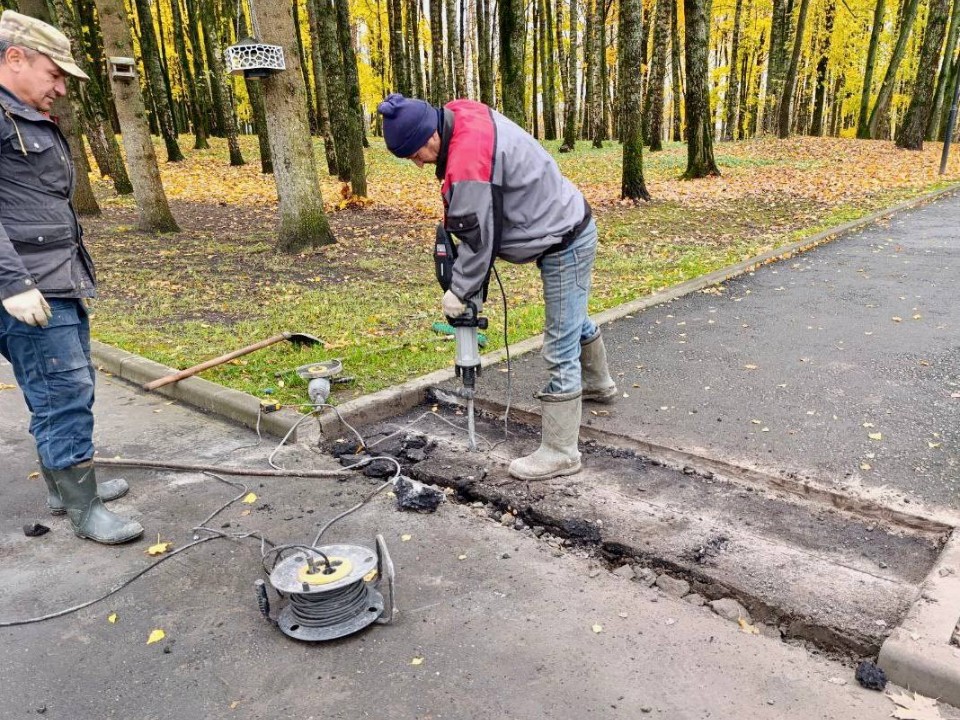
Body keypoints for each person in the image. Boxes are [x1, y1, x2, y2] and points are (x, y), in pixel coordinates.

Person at [377, 93, 617, 481]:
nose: (417, 163)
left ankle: (560, 451)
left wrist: (459, 291)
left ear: (430, 134)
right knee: (572, 319)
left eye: (414, 153)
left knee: (559, 342)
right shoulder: (459, 113)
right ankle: (599, 384)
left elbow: (478, 239)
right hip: (558, 222)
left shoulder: (468, 161)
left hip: (566, 239)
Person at [0, 10, 142, 544]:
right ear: (15, 58)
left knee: (54, 387)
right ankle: (85, 510)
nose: (60, 87)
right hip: (29, 285)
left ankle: (65, 488)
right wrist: (12, 284)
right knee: (65, 390)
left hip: (56, 278)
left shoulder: (23, 114)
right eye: (54, 75)